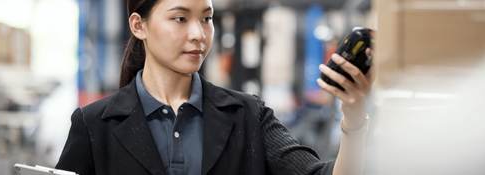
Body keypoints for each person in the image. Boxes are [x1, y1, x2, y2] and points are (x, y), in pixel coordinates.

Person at [55, 0, 374, 174]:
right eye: (180, 18)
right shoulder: (95, 124)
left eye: (206, 18)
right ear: (139, 26)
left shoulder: (249, 116)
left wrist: (354, 116)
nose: (199, 34)